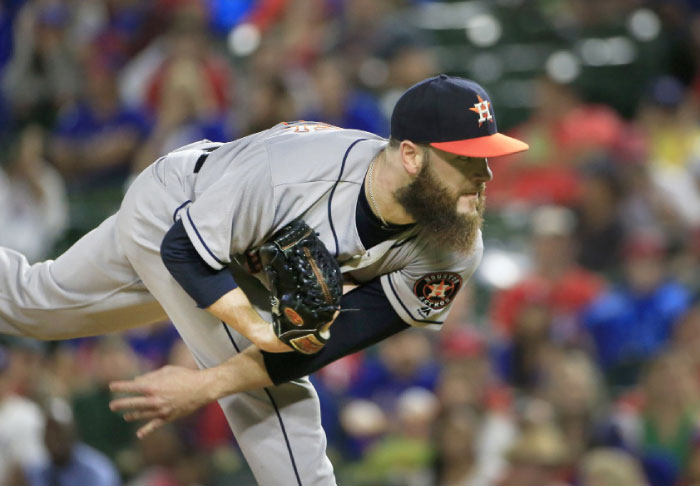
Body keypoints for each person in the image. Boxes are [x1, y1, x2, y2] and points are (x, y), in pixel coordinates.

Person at [0, 74, 528, 485]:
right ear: (411, 155)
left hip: (240, 256)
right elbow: (182, 248)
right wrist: (249, 335)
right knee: (276, 401)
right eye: (467, 161)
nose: (484, 178)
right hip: (180, 211)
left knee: (31, 305)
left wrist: (228, 369)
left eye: (489, 159)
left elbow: (327, 340)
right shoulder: (296, 174)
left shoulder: (453, 243)